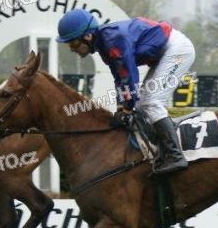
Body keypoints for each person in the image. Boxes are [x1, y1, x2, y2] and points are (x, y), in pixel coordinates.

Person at [56, 9, 195, 174]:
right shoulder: (105, 43)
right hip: (165, 52)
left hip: (177, 51)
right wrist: (121, 108)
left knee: (151, 103)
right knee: (142, 104)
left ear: (87, 36)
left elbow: (129, 76)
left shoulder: (112, 40)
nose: (72, 49)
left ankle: (175, 155)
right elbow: (120, 78)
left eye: (72, 43)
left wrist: (127, 108)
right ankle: (161, 149)